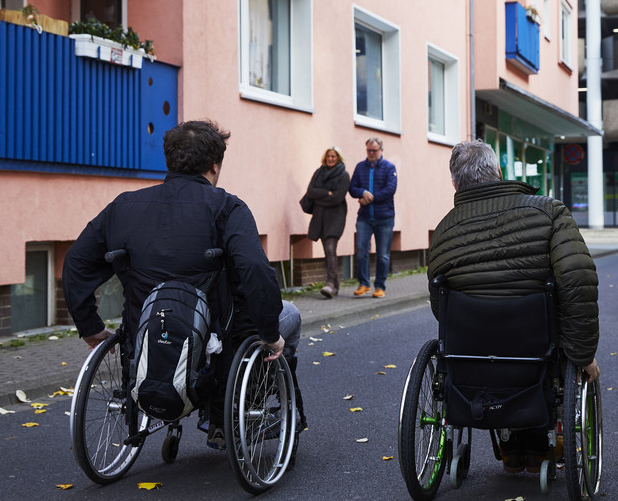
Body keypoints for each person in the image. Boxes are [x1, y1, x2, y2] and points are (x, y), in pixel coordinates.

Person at [62, 120, 303, 449]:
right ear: (215, 165)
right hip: (217, 344)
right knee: (289, 317)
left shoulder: (124, 207)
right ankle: (240, 409)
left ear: (170, 160)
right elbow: (255, 270)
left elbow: (76, 262)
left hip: (145, 337)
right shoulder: (226, 207)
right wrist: (269, 332)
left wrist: (90, 326)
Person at [426, 140, 600, 473]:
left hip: (471, 359)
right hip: (536, 349)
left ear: (454, 184)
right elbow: (577, 280)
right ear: (500, 172)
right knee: (548, 345)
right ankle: (538, 444)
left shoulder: (444, 231)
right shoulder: (549, 212)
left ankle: (510, 444)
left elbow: (441, 308)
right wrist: (582, 354)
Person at [348, 136, 397, 298]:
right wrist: (362, 193)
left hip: (385, 218)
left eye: (374, 150)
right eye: (368, 150)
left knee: (383, 254)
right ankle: (364, 284)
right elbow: (352, 187)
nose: (371, 153)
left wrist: (370, 197)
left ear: (381, 150)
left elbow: (390, 189)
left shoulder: (390, 168)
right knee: (361, 250)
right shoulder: (360, 167)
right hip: (364, 218)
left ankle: (380, 286)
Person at [303, 147, 350, 298]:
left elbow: (338, 197)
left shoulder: (343, 175)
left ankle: (330, 283)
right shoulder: (319, 172)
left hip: (336, 217)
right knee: (327, 251)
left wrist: (320, 196)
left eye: (333, 156)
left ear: (338, 158)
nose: (330, 158)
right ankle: (334, 285)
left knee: (330, 248)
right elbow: (310, 191)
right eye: (328, 156)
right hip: (320, 217)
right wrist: (326, 193)